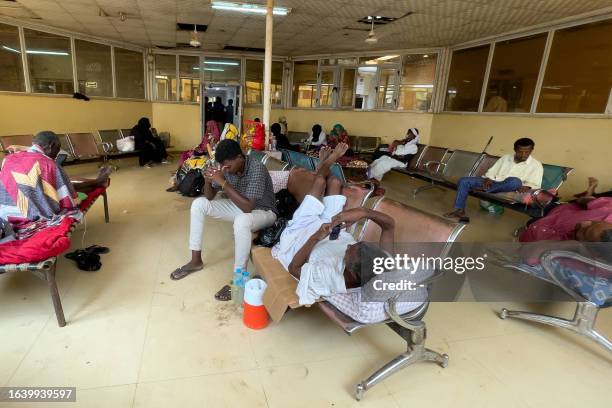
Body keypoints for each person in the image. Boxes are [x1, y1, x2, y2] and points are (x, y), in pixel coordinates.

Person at [272, 142, 394, 304]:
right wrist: (364, 212)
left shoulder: (327, 278)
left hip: (301, 234)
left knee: (320, 183)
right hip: (331, 228)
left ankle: (326, 162)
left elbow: (293, 268)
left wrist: (316, 236)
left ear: (350, 272)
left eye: (349, 250)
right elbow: (389, 225)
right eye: (354, 243)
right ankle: (323, 163)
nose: (349, 245)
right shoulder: (381, 267)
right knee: (335, 182)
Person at [170, 139, 278, 299]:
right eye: (223, 166)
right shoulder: (225, 166)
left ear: (240, 157)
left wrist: (223, 182)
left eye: (228, 166)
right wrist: (208, 181)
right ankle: (195, 261)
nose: (225, 169)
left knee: (241, 221)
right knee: (199, 204)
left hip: (264, 211)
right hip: (241, 206)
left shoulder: (257, 168)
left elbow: (248, 208)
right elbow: (209, 196)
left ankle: (239, 280)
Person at [0, 131, 110, 224]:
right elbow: (69, 202)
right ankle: (97, 183)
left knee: (59, 184)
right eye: (57, 149)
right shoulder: (49, 164)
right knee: (66, 189)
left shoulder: (8, 159)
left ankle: (97, 182)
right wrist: (76, 198)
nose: (57, 154)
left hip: (5, 213)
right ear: (52, 146)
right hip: (30, 216)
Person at [444, 138, 543, 223]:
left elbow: (536, 184)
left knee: (515, 181)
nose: (523, 154)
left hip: (511, 185)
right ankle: (459, 210)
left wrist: (526, 186)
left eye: (527, 152)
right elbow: (492, 171)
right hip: (492, 182)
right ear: (515, 149)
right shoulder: (506, 158)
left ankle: (484, 190)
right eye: (520, 151)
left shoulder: (536, 165)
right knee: (464, 181)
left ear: (531, 150)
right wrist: (489, 178)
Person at [520, 178, 612, 242]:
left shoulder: (560, 253)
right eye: (594, 222)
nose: (583, 223)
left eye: (585, 231)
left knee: (531, 221)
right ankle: (590, 194)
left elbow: (527, 248)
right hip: (559, 209)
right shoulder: (609, 209)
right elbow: (582, 201)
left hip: (543, 226)